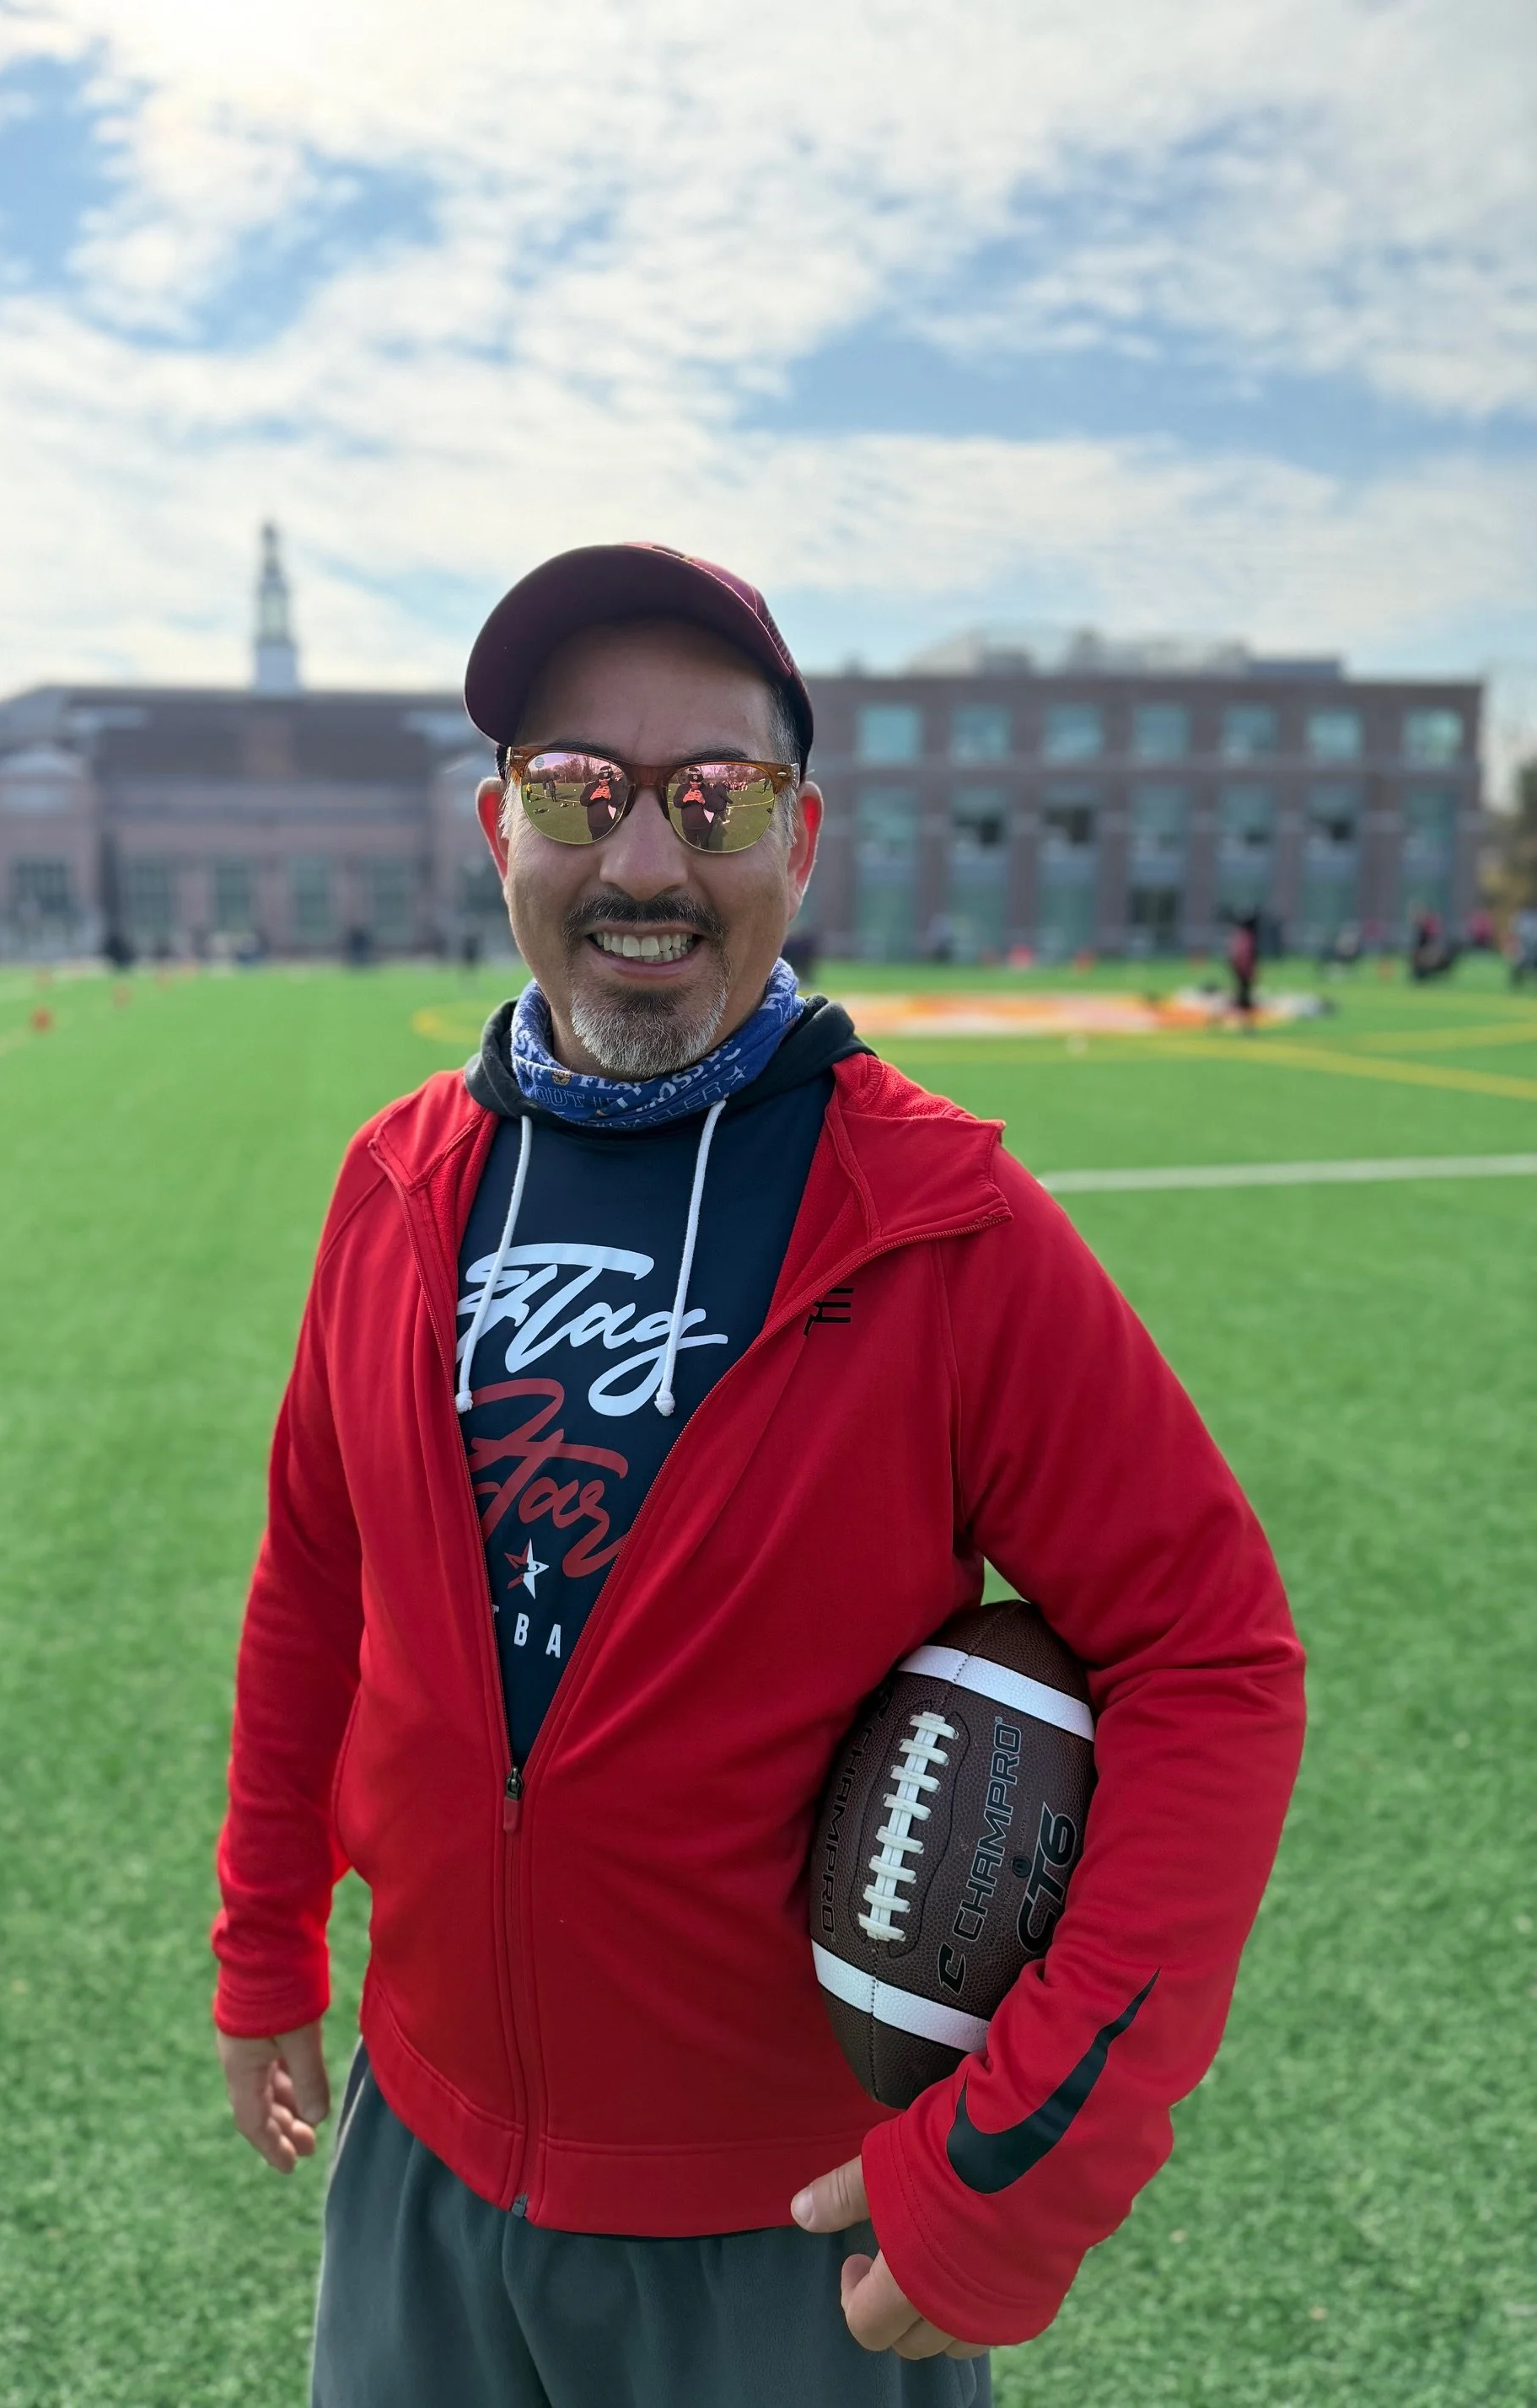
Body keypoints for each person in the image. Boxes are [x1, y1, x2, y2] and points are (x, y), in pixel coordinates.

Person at [212, 544, 1305, 2406]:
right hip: (423, 2163)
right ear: (498, 827)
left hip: (786, 2237)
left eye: (714, 797)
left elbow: (1211, 1660)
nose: (645, 861)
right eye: (581, 790)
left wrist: (1022, 2166)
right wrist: (263, 1945)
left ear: (799, 843)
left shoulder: (944, 1223)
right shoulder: (394, 1185)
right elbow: (317, 1585)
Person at [1226, 909, 1260, 1024]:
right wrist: (1248, 970)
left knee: (1243, 992)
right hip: (1243, 969)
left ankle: (1243, 1015)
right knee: (1244, 993)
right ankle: (1244, 1019)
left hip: (1241, 968)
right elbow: (1245, 955)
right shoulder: (1246, 936)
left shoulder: (1241, 935)